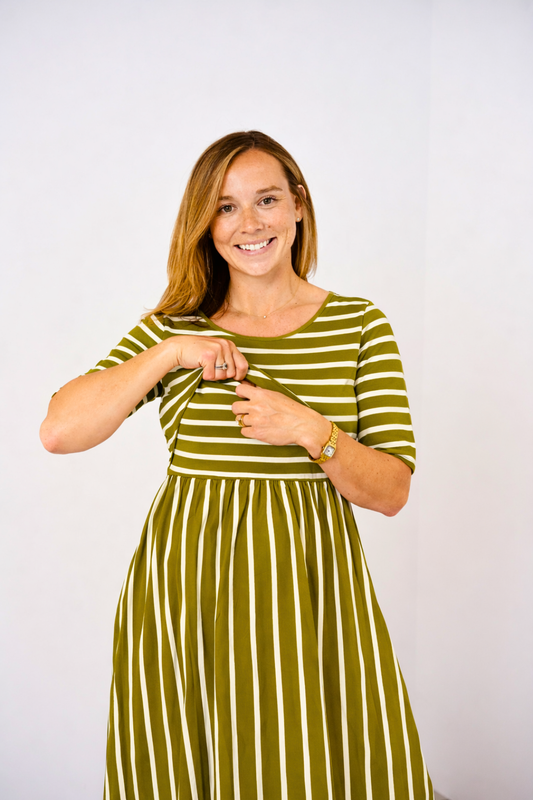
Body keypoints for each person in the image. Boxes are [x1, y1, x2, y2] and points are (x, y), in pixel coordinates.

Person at [40, 130, 433, 800]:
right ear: (204, 222)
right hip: (187, 596)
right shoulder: (175, 329)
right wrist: (171, 354)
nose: (248, 224)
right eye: (224, 207)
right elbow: (60, 431)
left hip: (313, 600)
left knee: (325, 768)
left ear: (298, 207)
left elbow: (391, 490)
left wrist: (311, 430)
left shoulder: (360, 325)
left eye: (266, 200)